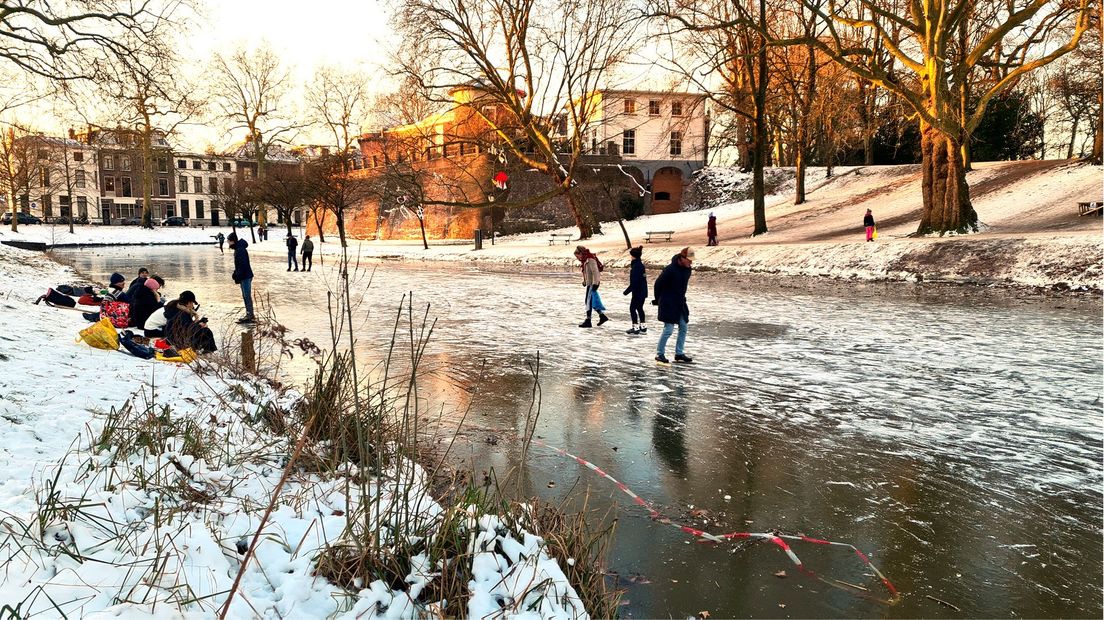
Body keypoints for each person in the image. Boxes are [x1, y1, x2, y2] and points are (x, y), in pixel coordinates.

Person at [653, 247, 694, 364]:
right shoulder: (670, 270)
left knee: (683, 326)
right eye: (689, 260)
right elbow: (658, 284)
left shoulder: (687, 270)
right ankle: (660, 354)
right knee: (668, 329)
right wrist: (658, 299)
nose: (691, 262)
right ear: (682, 258)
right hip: (668, 303)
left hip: (680, 303)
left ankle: (679, 353)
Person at [573, 245, 609, 328]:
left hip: (593, 284)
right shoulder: (585, 260)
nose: (577, 258)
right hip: (590, 283)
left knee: (588, 301)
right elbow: (587, 273)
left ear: (581, 253)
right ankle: (602, 316)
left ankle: (588, 320)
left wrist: (596, 283)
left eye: (578, 256)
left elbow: (595, 272)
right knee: (590, 301)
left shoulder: (590, 259)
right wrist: (585, 281)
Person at [229, 232, 255, 323]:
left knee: (246, 296)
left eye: (229, 241)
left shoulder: (240, 250)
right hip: (244, 275)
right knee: (245, 296)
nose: (228, 244)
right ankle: (249, 314)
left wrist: (237, 275)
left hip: (246, 276)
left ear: (233, 241)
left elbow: (243, 265)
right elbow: (239, 265)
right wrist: (236, 273)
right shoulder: (238, 248)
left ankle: (250, 315)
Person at [623, 246, 648, 335]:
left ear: (633, 256)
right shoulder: (640, 265)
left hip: (638, 292)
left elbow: (635, 282)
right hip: (643, 291)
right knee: (639, 308)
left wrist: (626, 291)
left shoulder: (636, 267)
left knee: (632, 308)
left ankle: (635, 327)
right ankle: (643, 326)